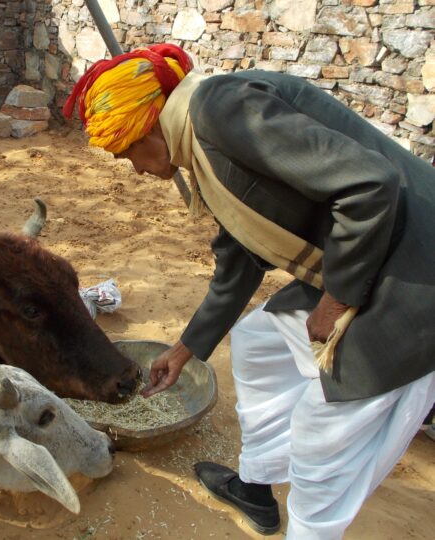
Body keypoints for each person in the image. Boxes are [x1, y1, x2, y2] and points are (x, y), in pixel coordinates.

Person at [64, 43, 435, 538]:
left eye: (127, 150)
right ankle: (256, 487)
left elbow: (370, 185)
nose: (135, 168)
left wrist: (335, 300)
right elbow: (237, 261)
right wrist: (186, 349)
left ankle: (312, 530)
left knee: (322, 436)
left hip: (412, 279)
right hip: (368, 260)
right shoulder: (200, 146)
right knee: (260, 342)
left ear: (147, 125)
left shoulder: (220, 108)